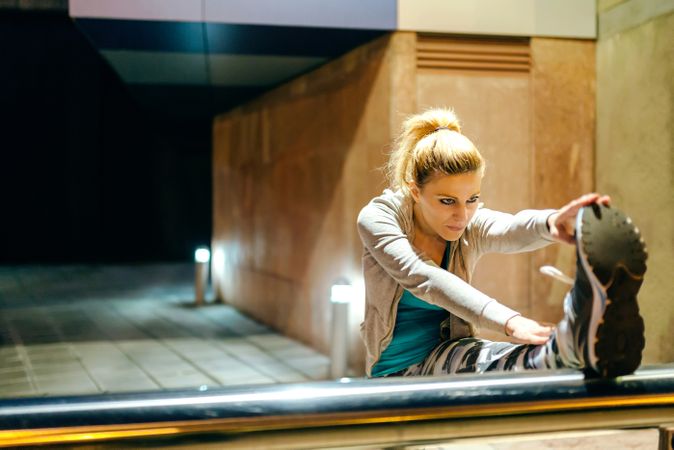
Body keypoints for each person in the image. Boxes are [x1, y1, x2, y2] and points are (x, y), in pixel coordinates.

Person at [357, 108, 647, 379]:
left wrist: (553, 222)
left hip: (451, 354)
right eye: (447, 201)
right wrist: (510, 322)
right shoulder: (379, 218)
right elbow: (423, 277)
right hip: (396, 372)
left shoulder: (465, 222)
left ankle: (572, 344)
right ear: (414, 190)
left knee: (516, 358)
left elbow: (508, 227)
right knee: (496, 359)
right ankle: (569, 344)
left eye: (472, 199)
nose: (462, 215)